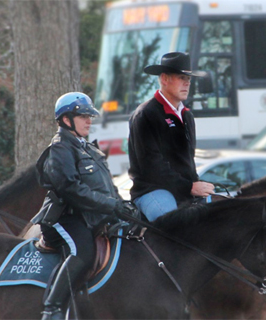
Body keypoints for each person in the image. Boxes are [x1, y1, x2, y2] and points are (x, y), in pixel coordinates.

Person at [32, 92, 133, 320]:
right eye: (83, 116)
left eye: (90, 116)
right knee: (83, 252)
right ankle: (53, 308)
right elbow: (71, 189)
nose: (89, 120)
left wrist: (122, 206)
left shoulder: (89, 148)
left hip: (90, 216)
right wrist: (110, 206)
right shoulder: (60, 149)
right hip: (64, 219)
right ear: (66, 120)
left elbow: (106, 186)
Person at [128, 52, 215, 222]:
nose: (187, 83)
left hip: (184, 190)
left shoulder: (187, 116)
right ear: (164, 79)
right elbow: (151, 166)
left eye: (188, 79)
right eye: (181, 77)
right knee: (175, 225)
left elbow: (187, 162)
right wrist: (190, 187)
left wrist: (196, 185)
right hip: (152, 190)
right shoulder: (145, 114)